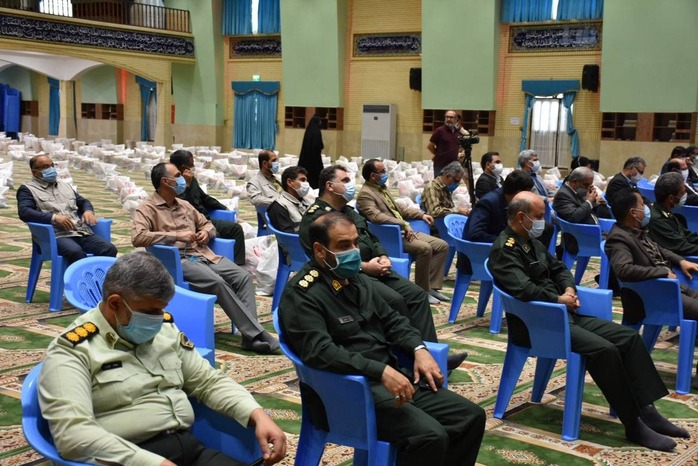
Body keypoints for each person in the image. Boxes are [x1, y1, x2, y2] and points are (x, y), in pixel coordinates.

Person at [38, 251, 287, 465]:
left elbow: (207, 381)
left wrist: (256, 413)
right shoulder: (73, 349)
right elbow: (73, 434)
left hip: (189, 449)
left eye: (162, 309)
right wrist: (151, 463)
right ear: (115, 303)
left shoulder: (163, 330)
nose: (158, 319)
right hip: (127, 458)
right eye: (150, 311)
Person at [280, 212, 485, 466]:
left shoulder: (354, 279)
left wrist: (419, 349)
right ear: (320, 250)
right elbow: (321, 352)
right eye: (343, 245)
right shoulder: (303, 294)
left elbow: (392, 319)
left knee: (470, 417)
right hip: (349, 391)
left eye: (356, 243)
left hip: (391, 378)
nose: (354, 251)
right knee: (429, 436)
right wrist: (381, 371)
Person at [490, 191, 690, 452]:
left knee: (628, 338)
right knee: (604, 350)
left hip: (564, 314)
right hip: (538, 324)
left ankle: (647, 410)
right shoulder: (505, 249)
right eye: (538, 216)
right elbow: (524, 290)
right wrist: (558, 299)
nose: (543, 221)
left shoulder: (530, 241)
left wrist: (569, 290)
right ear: (521, 217)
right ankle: (633, 424)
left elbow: (559, 268)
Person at [299, 165, 467, 369]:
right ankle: (406, 361)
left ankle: (431, 354)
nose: (350, 185)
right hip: (348, 276)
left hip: (375, 268)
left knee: (417, 295)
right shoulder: (315, 218)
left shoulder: (348, 212)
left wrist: (382, 255)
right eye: (345, 181)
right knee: (395, 301)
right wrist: (364, 267)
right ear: (329, 186)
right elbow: (322, 261)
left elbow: (371, 238)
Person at [132, 162, 279, 354]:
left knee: (243, 277)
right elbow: (138, 237)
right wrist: (176, 236)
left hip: (204, 254)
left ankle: (248, 337)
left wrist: (206, 233)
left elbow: (207, 224)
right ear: (165, 182)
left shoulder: (185, 205)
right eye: (177, 176)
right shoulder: (147, 208)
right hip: (179, 260)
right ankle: (257, 334)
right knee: (217, 282)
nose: (183, 179)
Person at [357, 158, 449, 300]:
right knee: (425, 248)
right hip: (390, 236)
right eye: (382, 172)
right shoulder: (365, 194)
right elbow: (376, 217)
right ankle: (422, 290)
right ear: (373, 176)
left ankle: (432, 287)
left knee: (442, 245)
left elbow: (400, 209)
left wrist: (421, 215)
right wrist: (403, 224)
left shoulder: (382, 189)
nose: (386, 174)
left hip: (403, 232)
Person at [605, 189, 698, 323]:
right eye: (642, 204)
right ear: (633, 212)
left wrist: (681, 261)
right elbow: (624, 270)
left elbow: (658, 249)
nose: (647, 207)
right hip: (656, 294)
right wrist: (663, 272)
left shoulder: (638, 229)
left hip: (674, 287)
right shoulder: (618, 238)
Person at [17, 154, 117, 264]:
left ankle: (99, 275)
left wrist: (88, 211)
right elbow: (24, 212)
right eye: (46, 167)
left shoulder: (64, 186)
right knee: (76, 253)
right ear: (35, 172)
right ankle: (76, 276)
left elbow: (83, 202)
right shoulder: (27, 189)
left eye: (52, 165)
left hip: (79, 231)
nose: (51, 169)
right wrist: (54, 218)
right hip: (54, 235)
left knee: (109, 249)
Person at [170, 150, 246, 266]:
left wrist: (224, 208)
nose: (194, 165)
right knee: (216, 235)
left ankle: (238, 264)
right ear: (184, 167)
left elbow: (205, 198)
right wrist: (187, 186)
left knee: (236, 229)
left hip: (205, 219)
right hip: (191, 224)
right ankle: (216, 264)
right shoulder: (174, 184)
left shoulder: (191, 179)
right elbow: (181, 206)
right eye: (192, 163)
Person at [455, 170, 535, 274]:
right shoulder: (488, 202)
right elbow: (476, 234)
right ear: (518, 192)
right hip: (477, 254)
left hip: (498, 248)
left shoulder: (512, 201)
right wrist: (507, 240)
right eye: (528, 192)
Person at [552, 167, 607, 255]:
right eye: (586, 185)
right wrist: (589, 202)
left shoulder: (577, 192)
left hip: (592, 233)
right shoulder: (563, 195)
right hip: (581, 238)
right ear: (575, 182)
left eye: (590, 185)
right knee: (620, 243)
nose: (588, 188)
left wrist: (595, 203)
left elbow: (586, 210)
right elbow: (573, 217)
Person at [648, 172, 698, 256]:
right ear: (671, 198)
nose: (685, 195)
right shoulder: (657, 220)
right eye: (682, 193)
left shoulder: (666, 212)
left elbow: (687, 235)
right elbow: (681, 247)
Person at [267, 165, 312, 233]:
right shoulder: (279, 206)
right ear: (290, 182)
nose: (306, 183)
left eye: (306, 180)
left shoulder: (305, 200)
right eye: (302, 180)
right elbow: (288, 235)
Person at [427, 110, 461, 177]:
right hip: (440, 166)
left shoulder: (457, 132)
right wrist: (437, 154)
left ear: (456, 119)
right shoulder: (439, 131)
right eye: (447, 117)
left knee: (452, 183)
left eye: (451, 117)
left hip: (453, 166)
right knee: (440, 183)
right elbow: (430, 146)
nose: (448, 119)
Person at [298, 114, 324, 189]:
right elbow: (317, 145)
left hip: (306, 157)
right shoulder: (317, 131)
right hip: (315, 159)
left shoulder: (308, 131)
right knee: (315, 176)